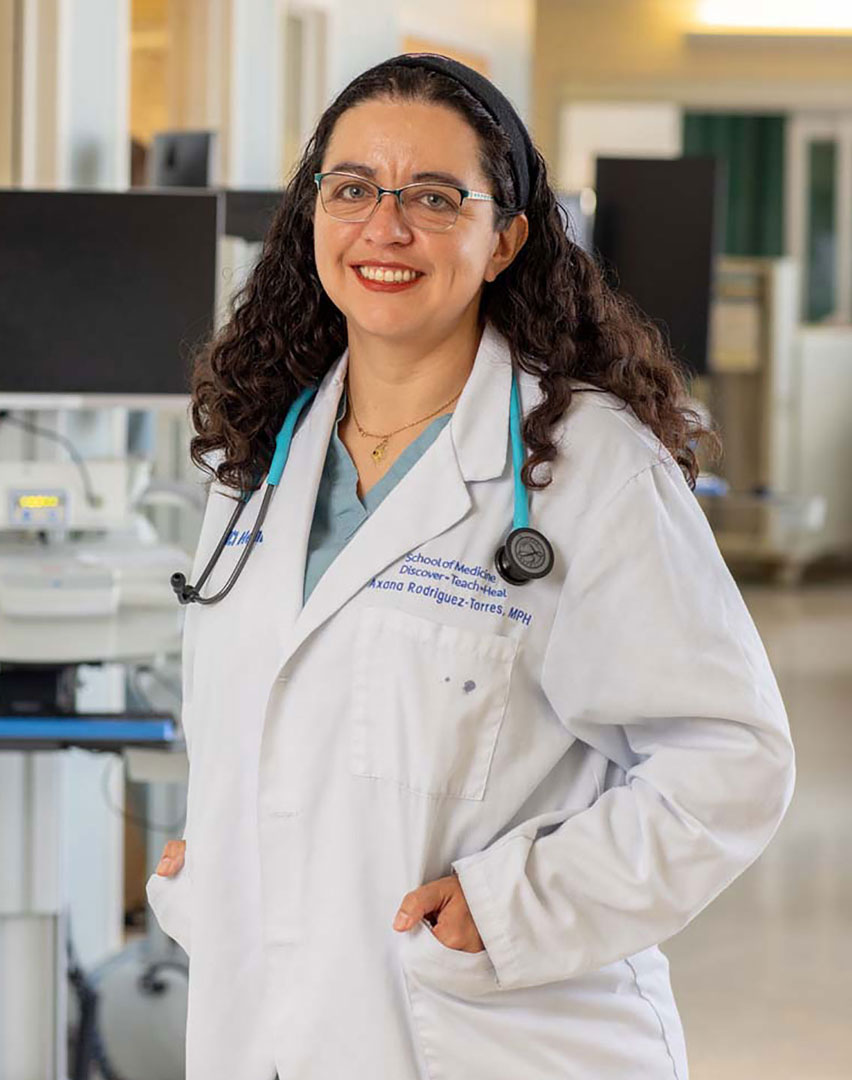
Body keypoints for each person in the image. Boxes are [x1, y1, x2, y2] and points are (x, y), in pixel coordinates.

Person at [147, 53, 795, 1080]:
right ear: (313, 215)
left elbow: (733, 764)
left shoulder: (590, 468)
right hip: (268, 1026)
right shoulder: (264, 456)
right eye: (353, 188)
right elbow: (275, 711)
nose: (385, 227)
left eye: (435, 197)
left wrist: (514, 907)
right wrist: (216, 848)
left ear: (506, 240)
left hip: (493, 1037)